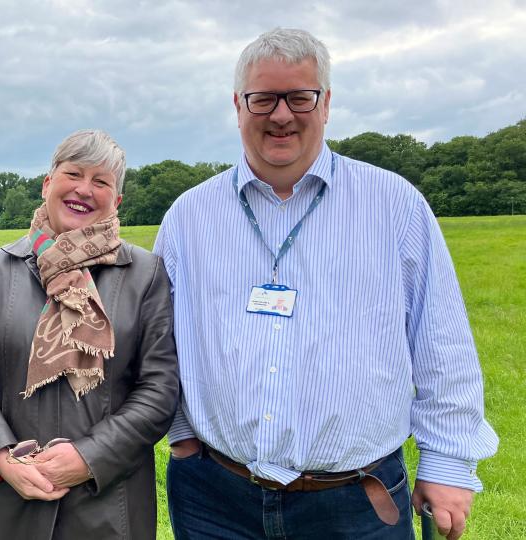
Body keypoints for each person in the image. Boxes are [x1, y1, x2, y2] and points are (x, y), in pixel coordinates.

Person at [156, 28, 498, 540]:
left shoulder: (394, 205)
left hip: (355, 503)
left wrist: (447, 462)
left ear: (327, 102)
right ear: (237, 103)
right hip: (215, 499)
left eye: (300, 97)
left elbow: (441, 341)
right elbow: (159, 341)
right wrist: (182, 436)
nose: (281, 115)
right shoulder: (189, 216)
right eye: (263, 98)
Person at [0, 129, 180, 539]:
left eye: (101, 181)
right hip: (10, 500)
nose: (84, 189)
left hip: (109, 506)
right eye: (73, 173)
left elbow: (159, 389)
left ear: (117, 200)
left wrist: (88, 457)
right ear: (47, 184)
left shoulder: (145, 274)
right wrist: (3, 459)